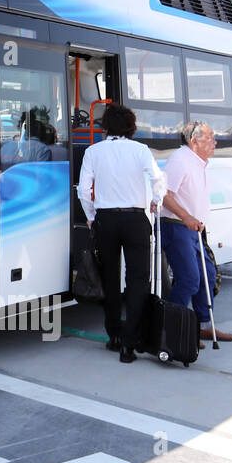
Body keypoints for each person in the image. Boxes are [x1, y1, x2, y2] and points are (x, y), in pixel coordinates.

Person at [75, 103, 168, 363]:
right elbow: (158, 179)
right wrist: (156, 200)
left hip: (106, 220)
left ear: (105, 126)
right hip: (135, 219)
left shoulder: (93, 151)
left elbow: (84, 190)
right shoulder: (140, 150)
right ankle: (130, 342)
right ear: (131, 126)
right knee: (138, 279)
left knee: (109, 277)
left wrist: (92, 217)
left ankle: (113, 335)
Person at [161, 121, 232, 344]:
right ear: (194, 141)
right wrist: (186, 216)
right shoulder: (180, 160)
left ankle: (203, 326)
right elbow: (165, 194)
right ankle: (171, 330)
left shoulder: (198, 162)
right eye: (209, 137)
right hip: (177, 226)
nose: (215, 142)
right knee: (188, 280)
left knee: (208, 275)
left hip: (193, 229)